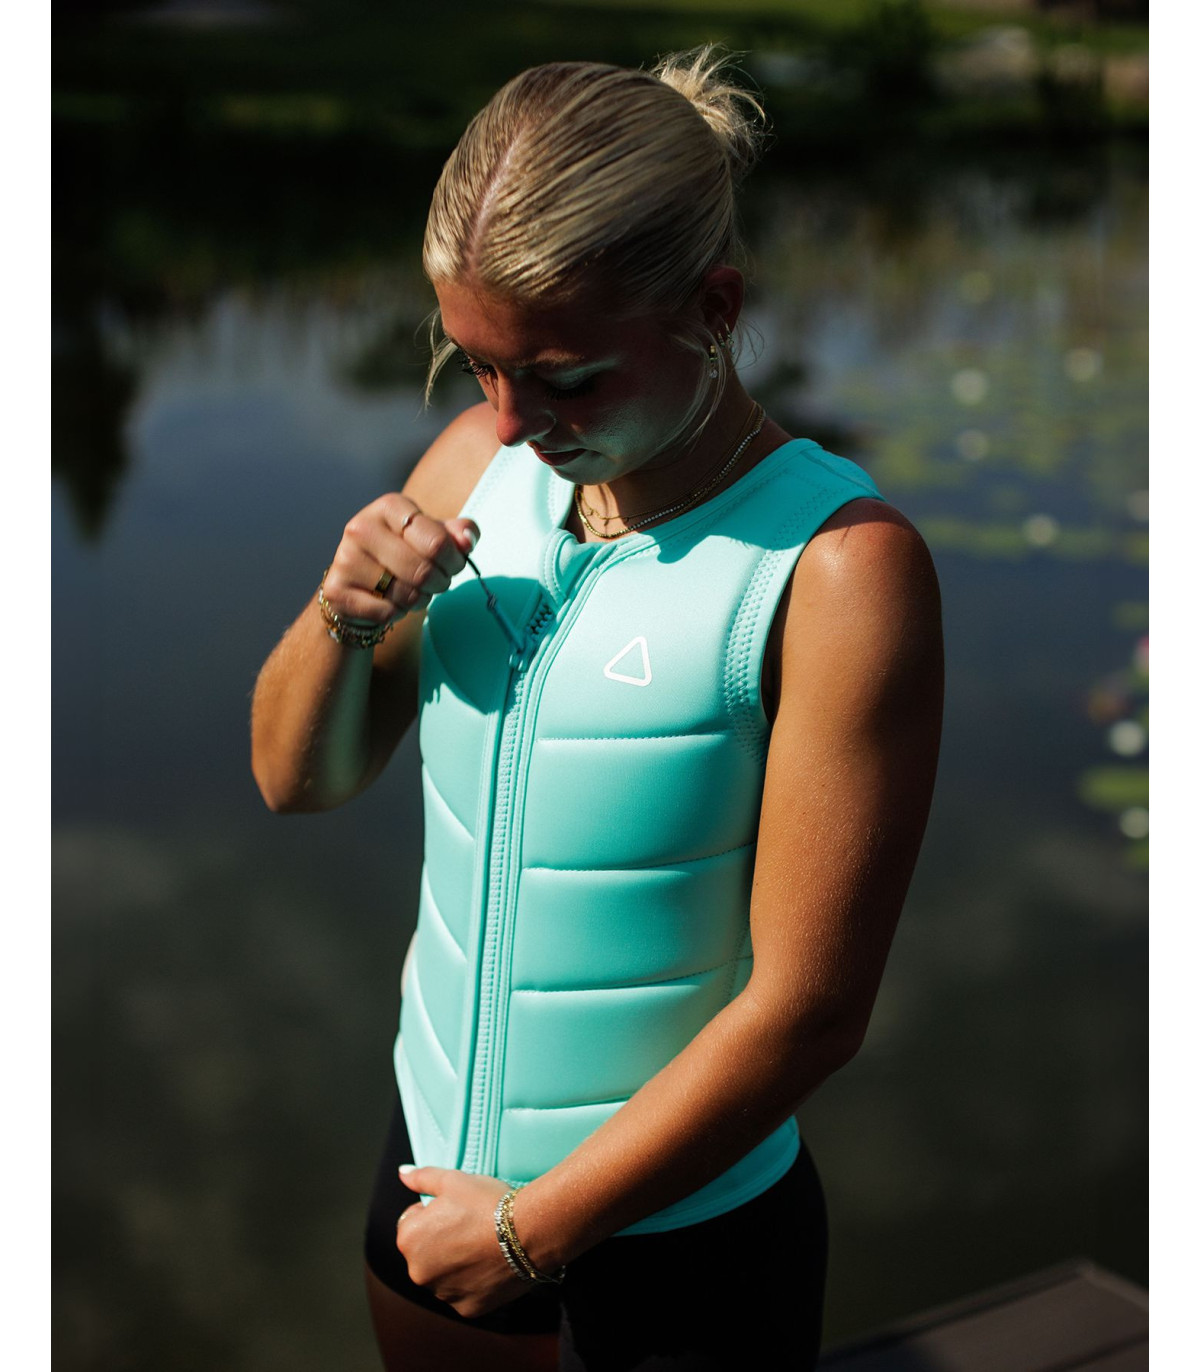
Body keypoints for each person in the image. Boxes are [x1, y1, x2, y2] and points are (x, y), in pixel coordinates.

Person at [251, 47, 943, 1372]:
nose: (515, 423)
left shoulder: (841, 571)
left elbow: (814, 1010)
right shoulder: (472, 464)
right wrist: (345, 614)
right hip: (432, 1174)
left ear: (714, 307)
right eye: (476, 365)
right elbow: (295, 780)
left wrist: (530, 1233)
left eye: (566, 376)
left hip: (686, 1246)